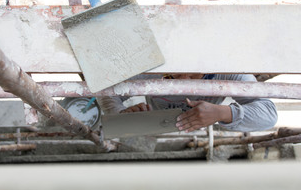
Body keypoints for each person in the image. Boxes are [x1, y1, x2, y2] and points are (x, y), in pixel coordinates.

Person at [97, 74, 278, 132]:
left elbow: (269, 114)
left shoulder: (230, 70)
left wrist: (222, 113)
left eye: (193, 75)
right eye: (171, 76)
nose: (182, 82)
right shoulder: (148, 66)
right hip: (155, 121)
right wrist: (121, 115)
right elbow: (107, 90)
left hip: (204, 122)